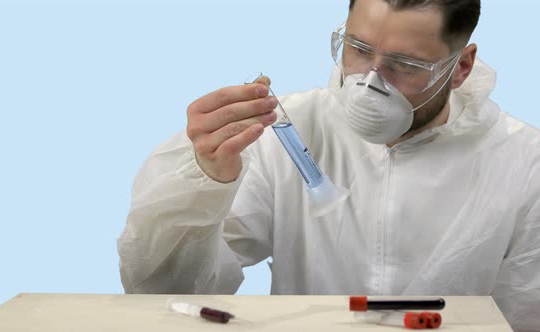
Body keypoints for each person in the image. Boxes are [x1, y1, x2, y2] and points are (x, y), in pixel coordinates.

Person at [117, 0, 540, 330]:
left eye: (406, 65)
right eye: (358, 50)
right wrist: (206, 179)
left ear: (461, 67)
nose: (371, 82)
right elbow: (165, 291)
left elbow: (524, 317)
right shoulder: (288, 128)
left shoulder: (522, 162)